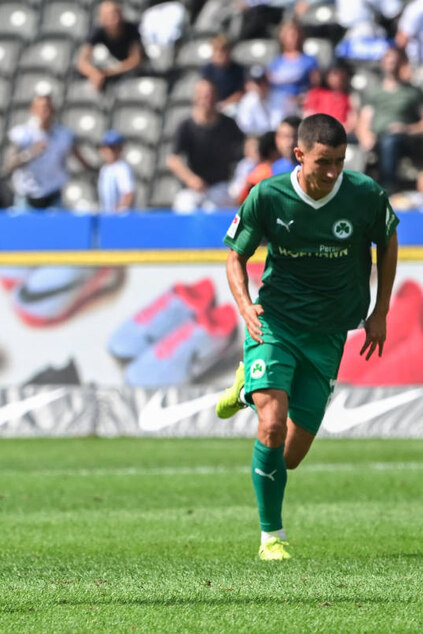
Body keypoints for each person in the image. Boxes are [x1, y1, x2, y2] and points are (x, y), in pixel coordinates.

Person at [215, 113, 399, 562]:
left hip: (329, 332)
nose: (333, 171)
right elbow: (234, 256)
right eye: (323, 162)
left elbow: (388, 241)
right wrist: (245, 306)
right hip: (275, 321)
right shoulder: (268, 195)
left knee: (290, 456)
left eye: (339, 160)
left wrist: (381, 310)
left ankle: (246, 388)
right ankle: (271, 537)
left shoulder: (364, 195)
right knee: (272, 425)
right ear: (299, 155)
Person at [166, 78, 244, 213]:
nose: (207, 99)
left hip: (221, 186)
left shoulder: (229, 124)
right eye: (203, 96)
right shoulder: (186, 126)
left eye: (210, 95)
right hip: (193, 190)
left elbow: (245, 147)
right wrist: (191, 179)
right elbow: (173, 160)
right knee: (184, 207)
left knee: (217, 209)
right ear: (196, 99)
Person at [6, 94, 94, 210]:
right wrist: (30, 153)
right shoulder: (21, 134)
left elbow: (80, 160)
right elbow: (10, 165)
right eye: (41, 108)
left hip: (53, 193)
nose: (45, 112)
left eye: (48, 108)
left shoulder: (64, 135)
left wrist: (94, 170)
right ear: (33, 110)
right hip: (27, 195)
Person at [355, 47, 423, 192]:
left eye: (395, 60)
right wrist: (366, 136)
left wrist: (406, 129)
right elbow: (363, 120)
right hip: (377, 137)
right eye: (388, 59)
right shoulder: (375, 93)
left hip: (406, 138)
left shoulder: (413, 92)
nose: (391, 63)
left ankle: (388, 187)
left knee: (391, 140)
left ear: (402, 63)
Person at [76, 1, 143, 91]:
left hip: (131, 74)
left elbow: (135, 60)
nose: (116, 18)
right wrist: (94, 73)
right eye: (111, 15)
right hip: (110, 69)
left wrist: (111, 71)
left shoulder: (131, 30)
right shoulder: (97, 33)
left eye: (117, 13)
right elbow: (82, 61)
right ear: (102, 18)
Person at [200, 35, 245, 112]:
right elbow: (204, 92)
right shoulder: (207, 70)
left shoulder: (238, 70)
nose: (221, 55)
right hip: (212, 106)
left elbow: (240, 93)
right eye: (217, 50)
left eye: (224, 51)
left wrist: (225, 105)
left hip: (232, 107)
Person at [96, 130, 135, 213]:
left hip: (118, 218)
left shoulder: (123, 168)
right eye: (108, 148)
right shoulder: (104, 169)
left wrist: (121, 210)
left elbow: (128, 193)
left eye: (114, 148)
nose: (110, 152)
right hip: (108, 215)